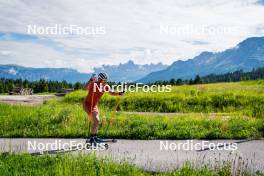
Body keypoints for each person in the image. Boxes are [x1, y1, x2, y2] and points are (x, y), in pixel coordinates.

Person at [83, 72, 124, 144]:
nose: (105, 82)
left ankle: (94, 137)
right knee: (96, 120)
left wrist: (119, 93)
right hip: (88, 104)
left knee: (97, 121)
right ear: (99, 79)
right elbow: (85, 88)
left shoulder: (105, 86)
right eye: (103, 80)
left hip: (94, 105)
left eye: (106, 80)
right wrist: (90, 80)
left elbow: (111, 92)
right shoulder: (94, 83)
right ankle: (92, 139)